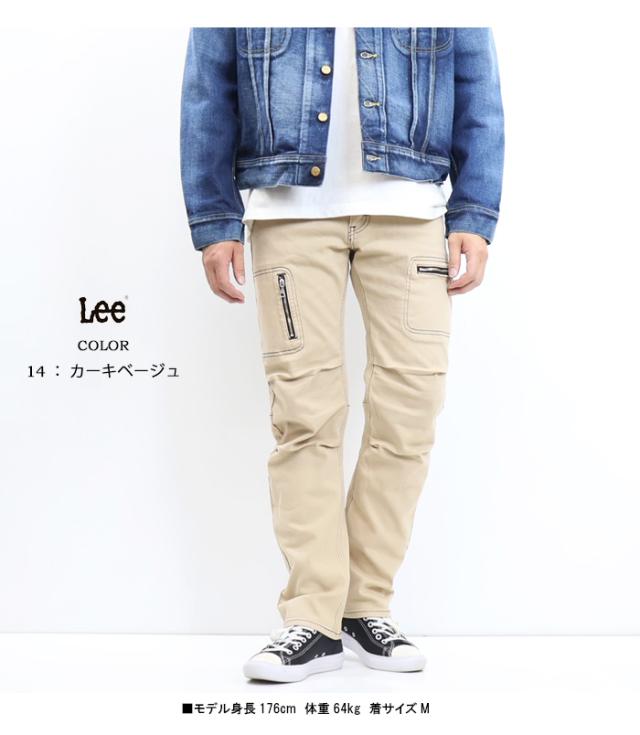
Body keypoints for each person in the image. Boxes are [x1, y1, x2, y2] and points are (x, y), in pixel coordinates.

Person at [180, 26, 504, 683]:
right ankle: (313, 618)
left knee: (410, 411)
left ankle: (364, 606)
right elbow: (208, 88)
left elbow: (478, 85)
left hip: (413, 214)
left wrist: (475, 210)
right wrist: (213, 219)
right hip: (288, 216)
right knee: (305, 416)